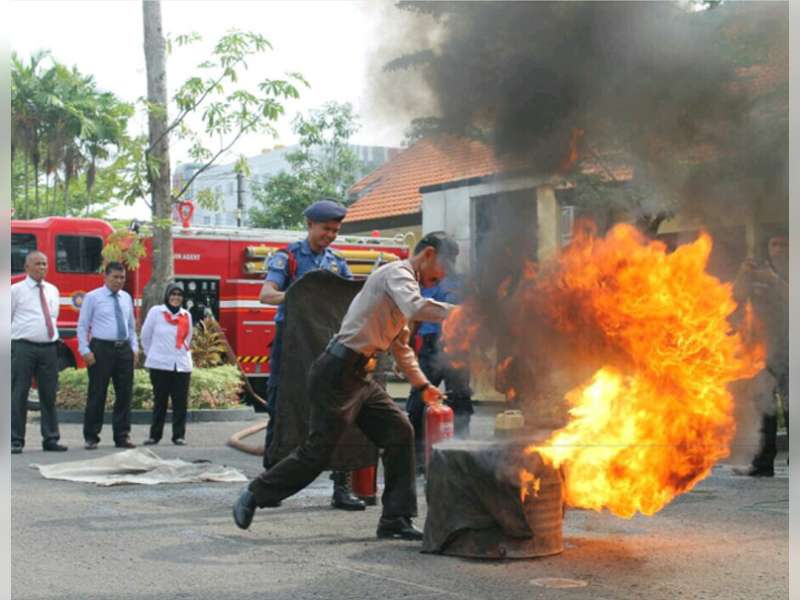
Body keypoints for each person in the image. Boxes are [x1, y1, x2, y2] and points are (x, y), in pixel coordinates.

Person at [233, 231, 460, 540]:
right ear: (429, 254)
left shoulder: (405, 285)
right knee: (318, 452)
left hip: (361, 376)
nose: (440, 280)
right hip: (337, 373)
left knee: (399, 431)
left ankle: (395, 518)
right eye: (441, 271)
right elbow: (417, 308)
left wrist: (422, 387)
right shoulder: (398, 274)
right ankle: (255, 493)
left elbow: (401, 346)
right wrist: (462, 313)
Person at [258, 198, 364, 511]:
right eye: (325, 229)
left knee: (339, 412)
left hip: (327, 346)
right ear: (309, 226)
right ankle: (270, 485)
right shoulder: (287, 258)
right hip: (292, 347)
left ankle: (341, 489)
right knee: (283, 410)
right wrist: (304, 295)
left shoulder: (337, 262)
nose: (330, 235)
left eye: (335, 230)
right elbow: (266, 295)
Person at [732, 230, 789, 477]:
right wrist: (742, 274)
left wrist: (776, 281)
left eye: (783, 244)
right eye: (774, 243)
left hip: (790, 349)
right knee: (765, 408)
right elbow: (736, 297)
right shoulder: (759, 273)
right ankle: (763, 463)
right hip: (764, 351)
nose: (778, 248)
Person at [406, 275, 473, 472]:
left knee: (460, 398)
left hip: (456, 345)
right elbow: (413, 319)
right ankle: (418, 455)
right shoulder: (417, 284)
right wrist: (410, 347)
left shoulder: (459, 284)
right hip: (428, 344)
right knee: (419, 399)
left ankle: (461, 451)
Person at [77, 261, 139, 450]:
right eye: (115, 277)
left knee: (124, 394)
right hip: (101, 349)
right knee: (97, 393)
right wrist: (85, 350)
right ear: (106, 277)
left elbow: (131, 326)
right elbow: (82, 326)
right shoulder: (93, 297)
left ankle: (122, 436)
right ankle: (91, 436)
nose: (119, 281)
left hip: (123, 349)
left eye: (122, 278)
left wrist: (134, 348)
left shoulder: (126, 298)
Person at [11, 251, 67, 454]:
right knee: (19, 394)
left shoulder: (52, 290)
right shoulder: (15, 290)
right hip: (24, 347)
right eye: (37, 264)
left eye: (44, 264)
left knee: (49, 395)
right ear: (27, 267)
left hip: (49, 348)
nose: (42, 267)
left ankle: (51, 438)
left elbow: (53, 316)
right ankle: (15, 439)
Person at [140, 283, 193, 446]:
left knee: (180, 402)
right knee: (160, 401)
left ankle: (179, 435)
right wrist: (155, 355)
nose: (176, 297)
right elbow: (145, 337)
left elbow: (188, 338)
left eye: (179, 295)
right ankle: (154, 436)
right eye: (173, 294)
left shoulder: (186, 315)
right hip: (160, 365)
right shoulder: (156, 312)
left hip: (181, 364)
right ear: (167, 295)